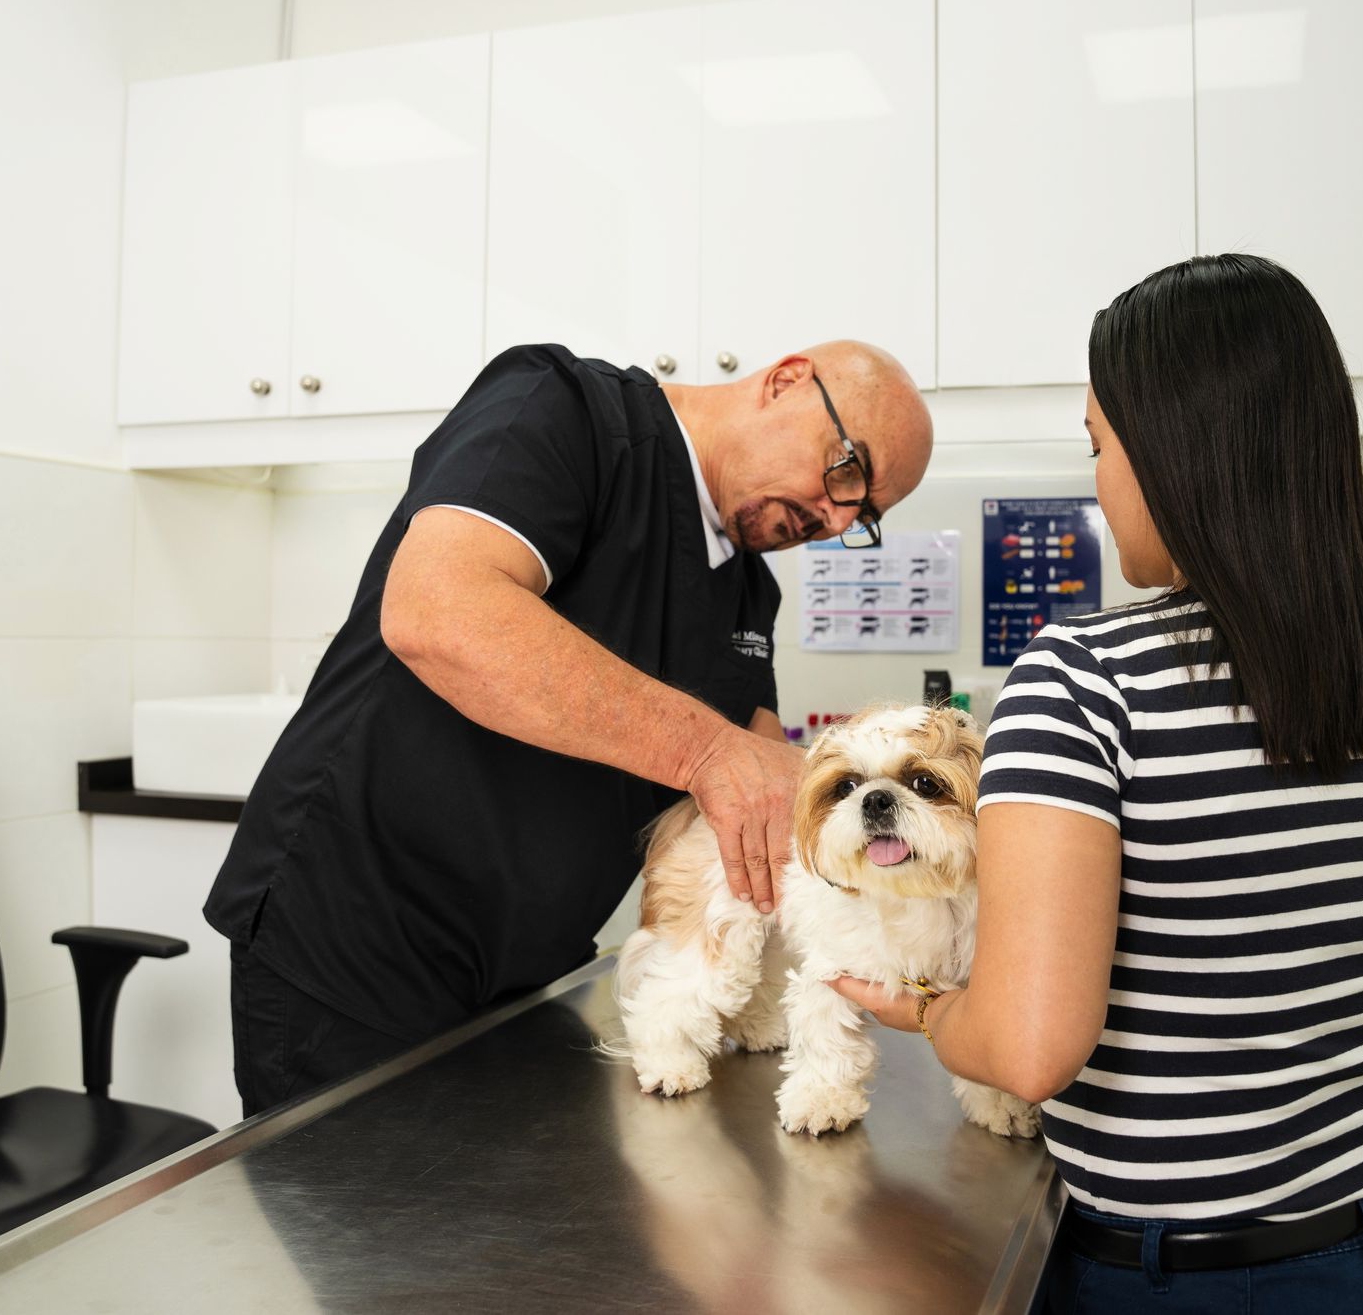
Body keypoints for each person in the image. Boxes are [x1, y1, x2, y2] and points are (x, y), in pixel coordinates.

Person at [830, 256, 1363, 1313]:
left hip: (1190, 1279)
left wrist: (927, 1012)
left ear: (1177, 454)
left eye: (1100, 444)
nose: (1096, 480)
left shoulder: (1082, 682)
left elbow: (1029, 1049)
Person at [208, 340, 932, 1117]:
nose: (834, 517)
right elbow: (435, 609)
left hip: (528, 976)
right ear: (788, 380)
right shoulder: (566, 411)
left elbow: (767, 800)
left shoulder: (749, 594)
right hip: (354, 945)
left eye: (864, 515)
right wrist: (705, 748)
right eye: (845, 471)